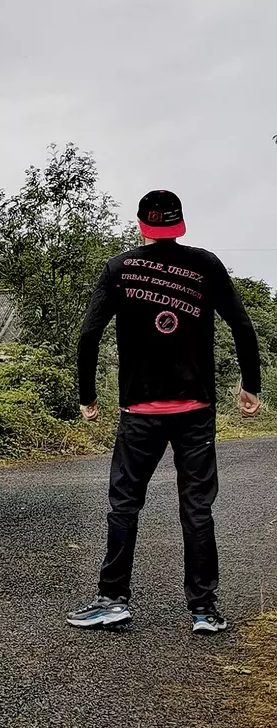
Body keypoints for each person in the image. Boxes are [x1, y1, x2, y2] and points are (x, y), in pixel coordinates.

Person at [66, 189, 261, 635]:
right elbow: (243, 326)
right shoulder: (205, 264)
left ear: (141, 225)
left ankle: (113, 599)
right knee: (197, 509)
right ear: (180, 224)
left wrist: (87, 396)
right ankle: (204, 611)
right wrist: (250, 385)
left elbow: (88, 335)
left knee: (124, 505)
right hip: (196, 411)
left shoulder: (119, 268)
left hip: (139, 413)